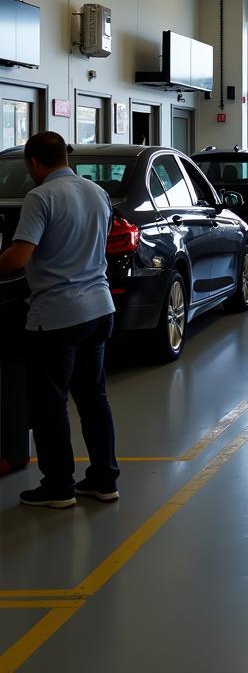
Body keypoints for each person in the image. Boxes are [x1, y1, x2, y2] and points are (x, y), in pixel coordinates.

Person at [0, 131, 119, 509]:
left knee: (50, 405)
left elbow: (19, 257)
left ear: (34, 162)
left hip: (57, 317)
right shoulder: (96, 192)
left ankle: (58, 486)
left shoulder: (41, 197)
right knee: (93, 398)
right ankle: (103, 479)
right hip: (99, 309)